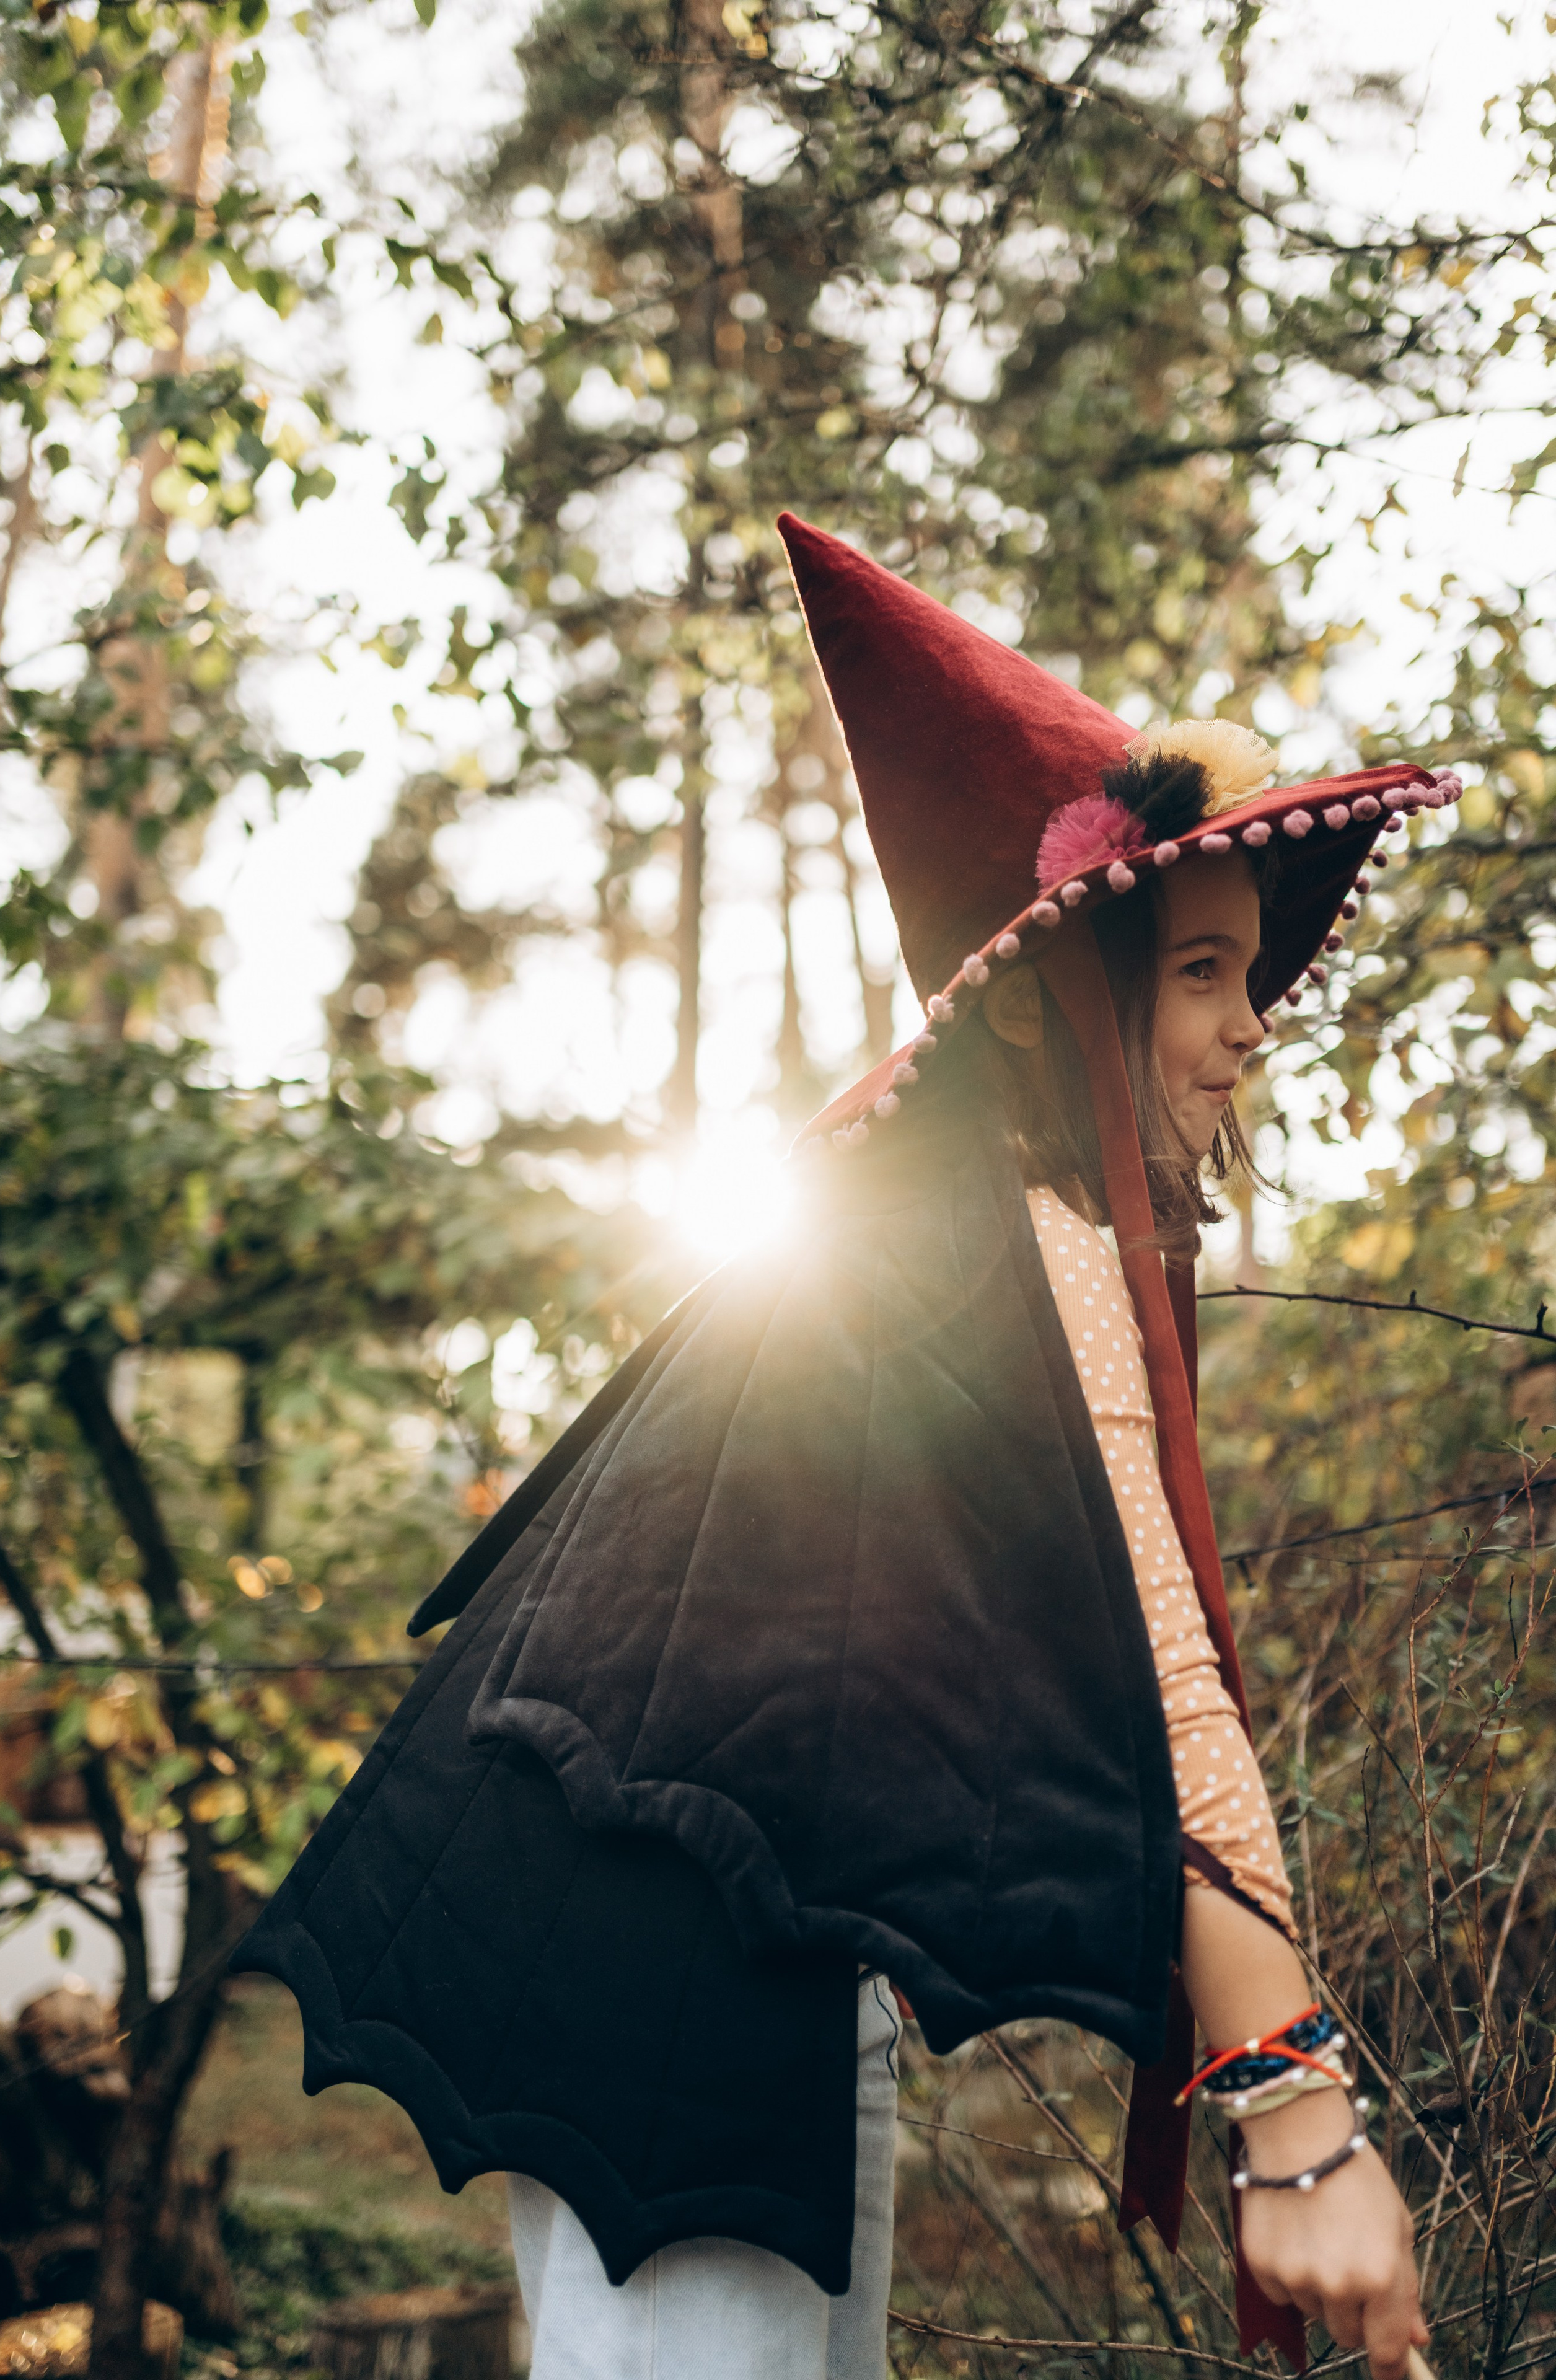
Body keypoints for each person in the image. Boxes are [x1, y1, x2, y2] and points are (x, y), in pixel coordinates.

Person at [234, 515, 1461, 2380]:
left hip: (734, 1915)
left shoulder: (953, 1196)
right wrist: (1299, 2118)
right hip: (653, 1934)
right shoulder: (994, 1225)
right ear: (1074, 973)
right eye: (1200, 972)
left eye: (1248, 978)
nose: (1245, 1031)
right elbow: (1158, 1671)